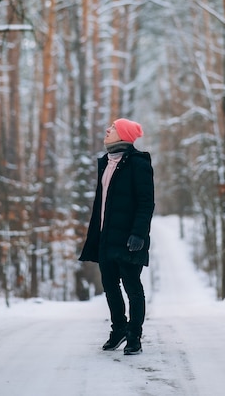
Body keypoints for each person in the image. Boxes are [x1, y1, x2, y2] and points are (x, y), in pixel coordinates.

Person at [79, 118, 155, 355]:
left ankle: (134, 336)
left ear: (122, 135)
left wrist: (138, 234)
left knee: (132, 287)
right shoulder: (106, 163)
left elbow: (146, 203)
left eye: (112, 128)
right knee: (110, 286)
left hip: (129, 239)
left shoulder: (138, 163)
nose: (107, 130)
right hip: (105, 237)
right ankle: (119, 330)